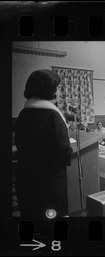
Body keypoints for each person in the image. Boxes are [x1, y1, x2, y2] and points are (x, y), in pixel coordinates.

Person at [14, 69, 73, 218]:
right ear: (49, 90)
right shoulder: (52, 115)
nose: (59, 91)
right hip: (48, 182)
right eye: (58, 87)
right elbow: (63, 151)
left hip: (26, 178)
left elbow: (19, 142)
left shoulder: (24, 112)